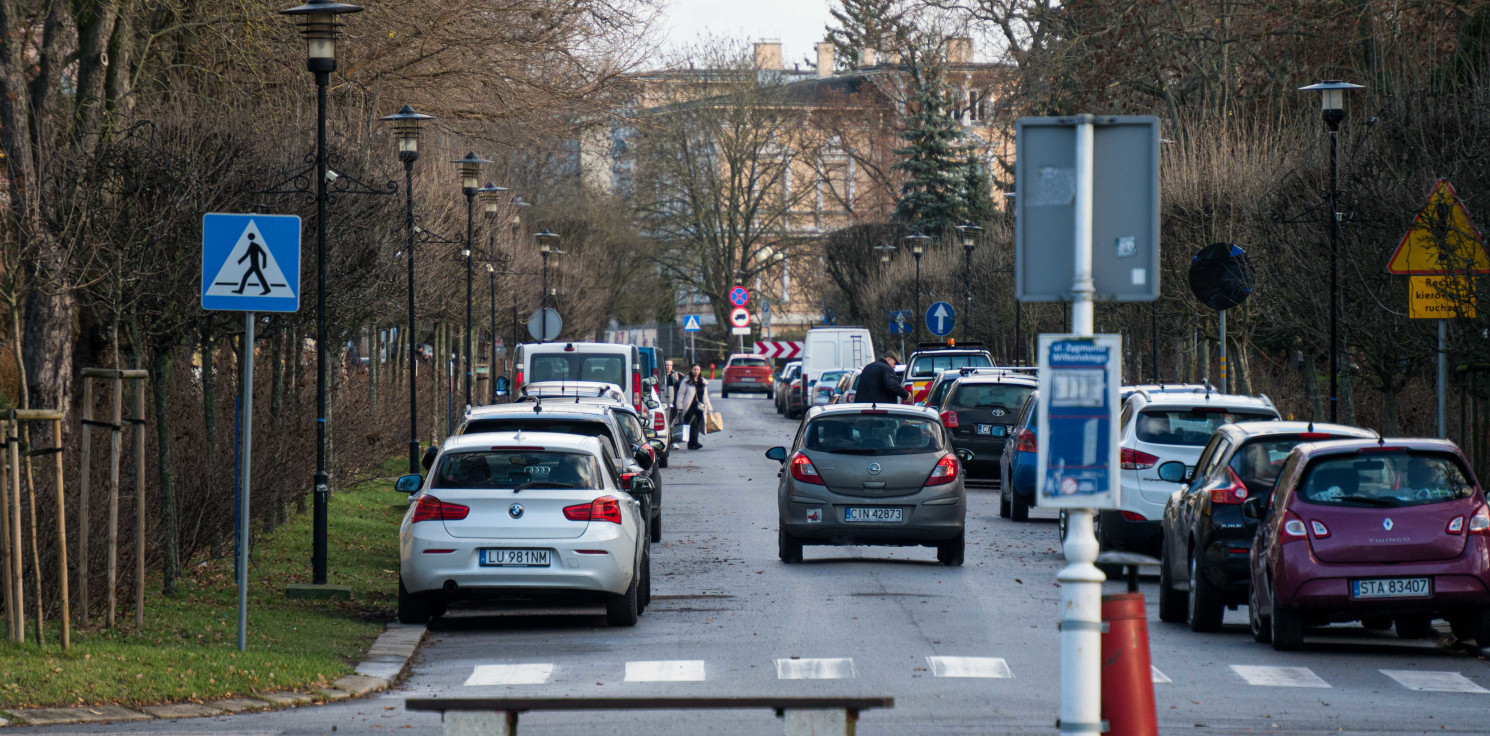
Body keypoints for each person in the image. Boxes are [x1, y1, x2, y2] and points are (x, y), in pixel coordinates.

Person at [673, 363, 713, 450]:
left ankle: (692, 443)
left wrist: (709, 408)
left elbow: (705, 396)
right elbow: (681, 393)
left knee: (697, 424)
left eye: (698, 369)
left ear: (700, 371)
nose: (696, 371)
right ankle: (694, 442)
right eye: (694, 369)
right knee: (693, 423)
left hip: (700, 406)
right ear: (691, 370)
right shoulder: (686, 380)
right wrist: (679, 406)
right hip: (689, 406)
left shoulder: (702, 381)